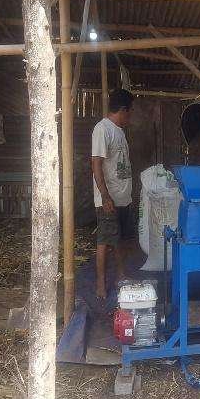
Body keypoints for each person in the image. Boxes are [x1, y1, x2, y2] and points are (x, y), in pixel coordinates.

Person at [91, 89, 135, 299]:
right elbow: (96, 163)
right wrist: (105, 196)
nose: (131, 116)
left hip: (122, 197)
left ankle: (120, 276)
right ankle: (101, 284)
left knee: (119, 240)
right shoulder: (102, 129)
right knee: (105, 240)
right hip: (109, 199)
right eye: (130, 111)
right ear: (123, 110)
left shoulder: (119, 131)